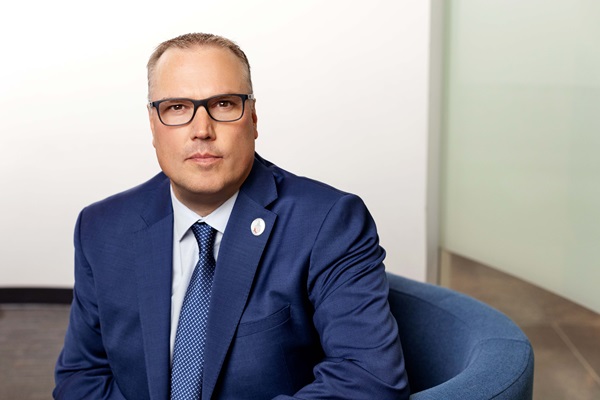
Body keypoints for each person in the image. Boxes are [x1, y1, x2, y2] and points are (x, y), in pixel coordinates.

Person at [54, 33, 410, 400]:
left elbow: (368, 378)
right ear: (152, 124)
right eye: (177, 107)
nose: (202, 130)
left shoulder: (329, 223)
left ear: (253, 118)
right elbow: (82, 376)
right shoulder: (102, 228)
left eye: (223, 104)